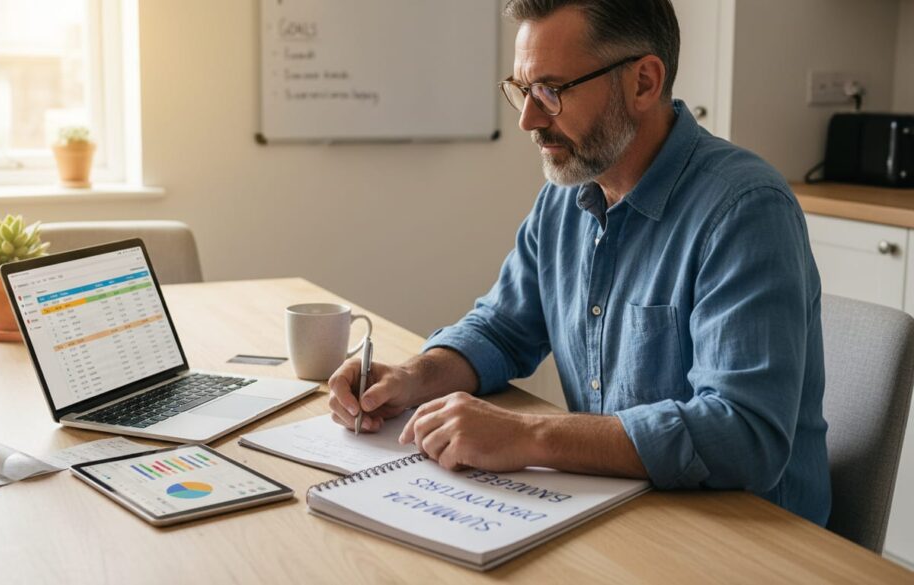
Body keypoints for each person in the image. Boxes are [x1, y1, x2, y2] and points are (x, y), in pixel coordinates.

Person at [328, 0, 830, 525]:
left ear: (643, 83)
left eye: (551, 91)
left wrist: (526, 435)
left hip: (748, 539)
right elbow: (501, 330)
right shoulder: (567, 196)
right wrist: (412, 378)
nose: (529, 119)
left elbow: (742, 435)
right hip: (622, 509)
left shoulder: (744, 209)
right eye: (523, 90)